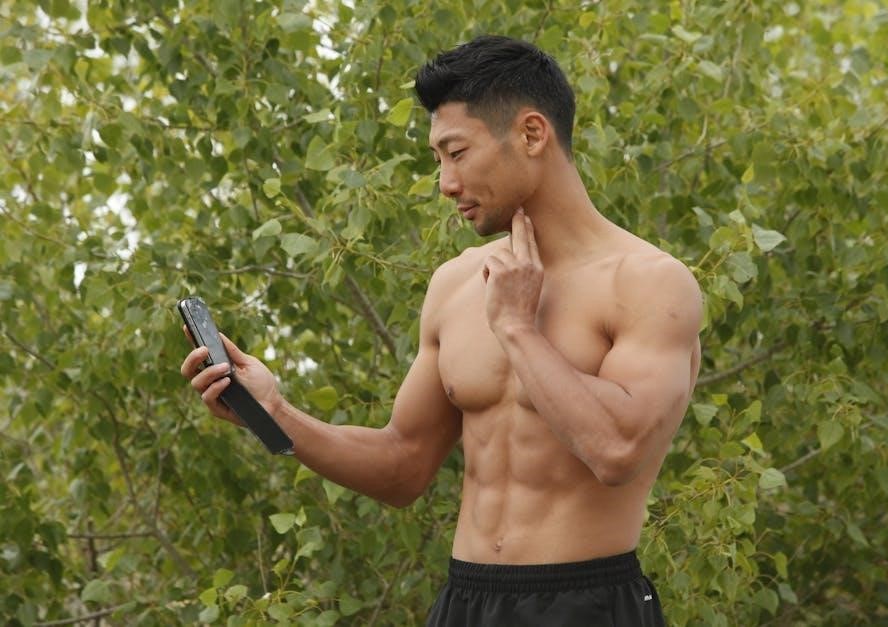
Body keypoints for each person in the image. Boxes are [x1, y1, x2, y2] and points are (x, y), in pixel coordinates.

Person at [181, 35, 701, 626]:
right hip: (465, 604)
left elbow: (617, 452)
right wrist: (274, 413)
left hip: (589, 604)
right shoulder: (456, 284)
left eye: (457, 153)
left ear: (532, 135)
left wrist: (516, 328)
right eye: (438, 160)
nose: (446, 184)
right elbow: (402, 467)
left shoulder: (650, 283)